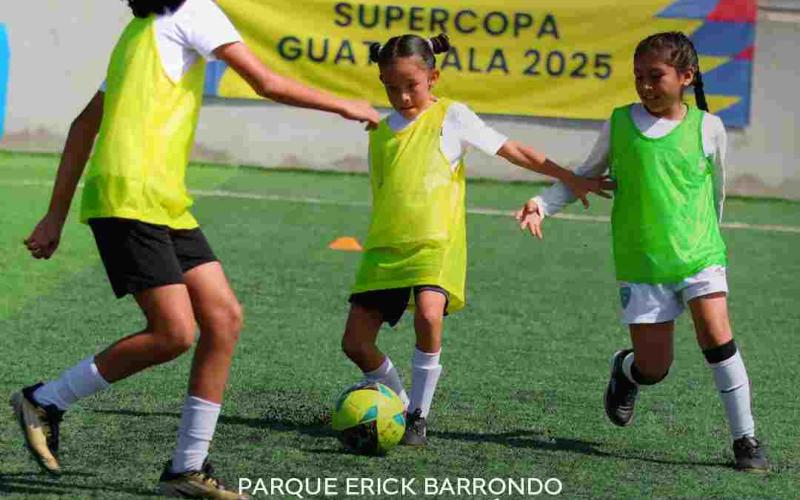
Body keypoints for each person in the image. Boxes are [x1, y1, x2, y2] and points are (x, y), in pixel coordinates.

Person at [11, 0, 380, 497]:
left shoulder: (140, 31)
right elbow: (265, 82)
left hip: (161, 201)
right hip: (131, 199)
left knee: (223, 319)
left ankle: (187, 469)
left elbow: (84, 124)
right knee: (174, 332)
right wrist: (344, 104)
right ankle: (46, 400)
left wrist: (56, 215)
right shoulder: (193, 11)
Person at [515, 31, 768, 472]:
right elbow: (585, 176)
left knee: (716, 335)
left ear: (686, 77)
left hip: (700, 255)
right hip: (642, 261)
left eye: (656, 76)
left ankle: (745, 440)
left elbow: (717, 191)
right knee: (655, 367)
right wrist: (543, 204)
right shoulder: (619, 123)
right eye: (638, 77)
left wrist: (713, 241)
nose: (646, 86)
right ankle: (626, 370)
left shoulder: (709, 127)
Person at [341, 33, 609, 447]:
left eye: (412, 85)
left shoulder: (452, 116)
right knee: (355, 344)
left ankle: (418, 416)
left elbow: (510, 148)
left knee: (429, 314)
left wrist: (568, 177)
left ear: (434, 77)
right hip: (384, 247)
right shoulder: (379, 128)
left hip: (436, 244)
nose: (403, 96)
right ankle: (399, 403)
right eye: (392, 88)